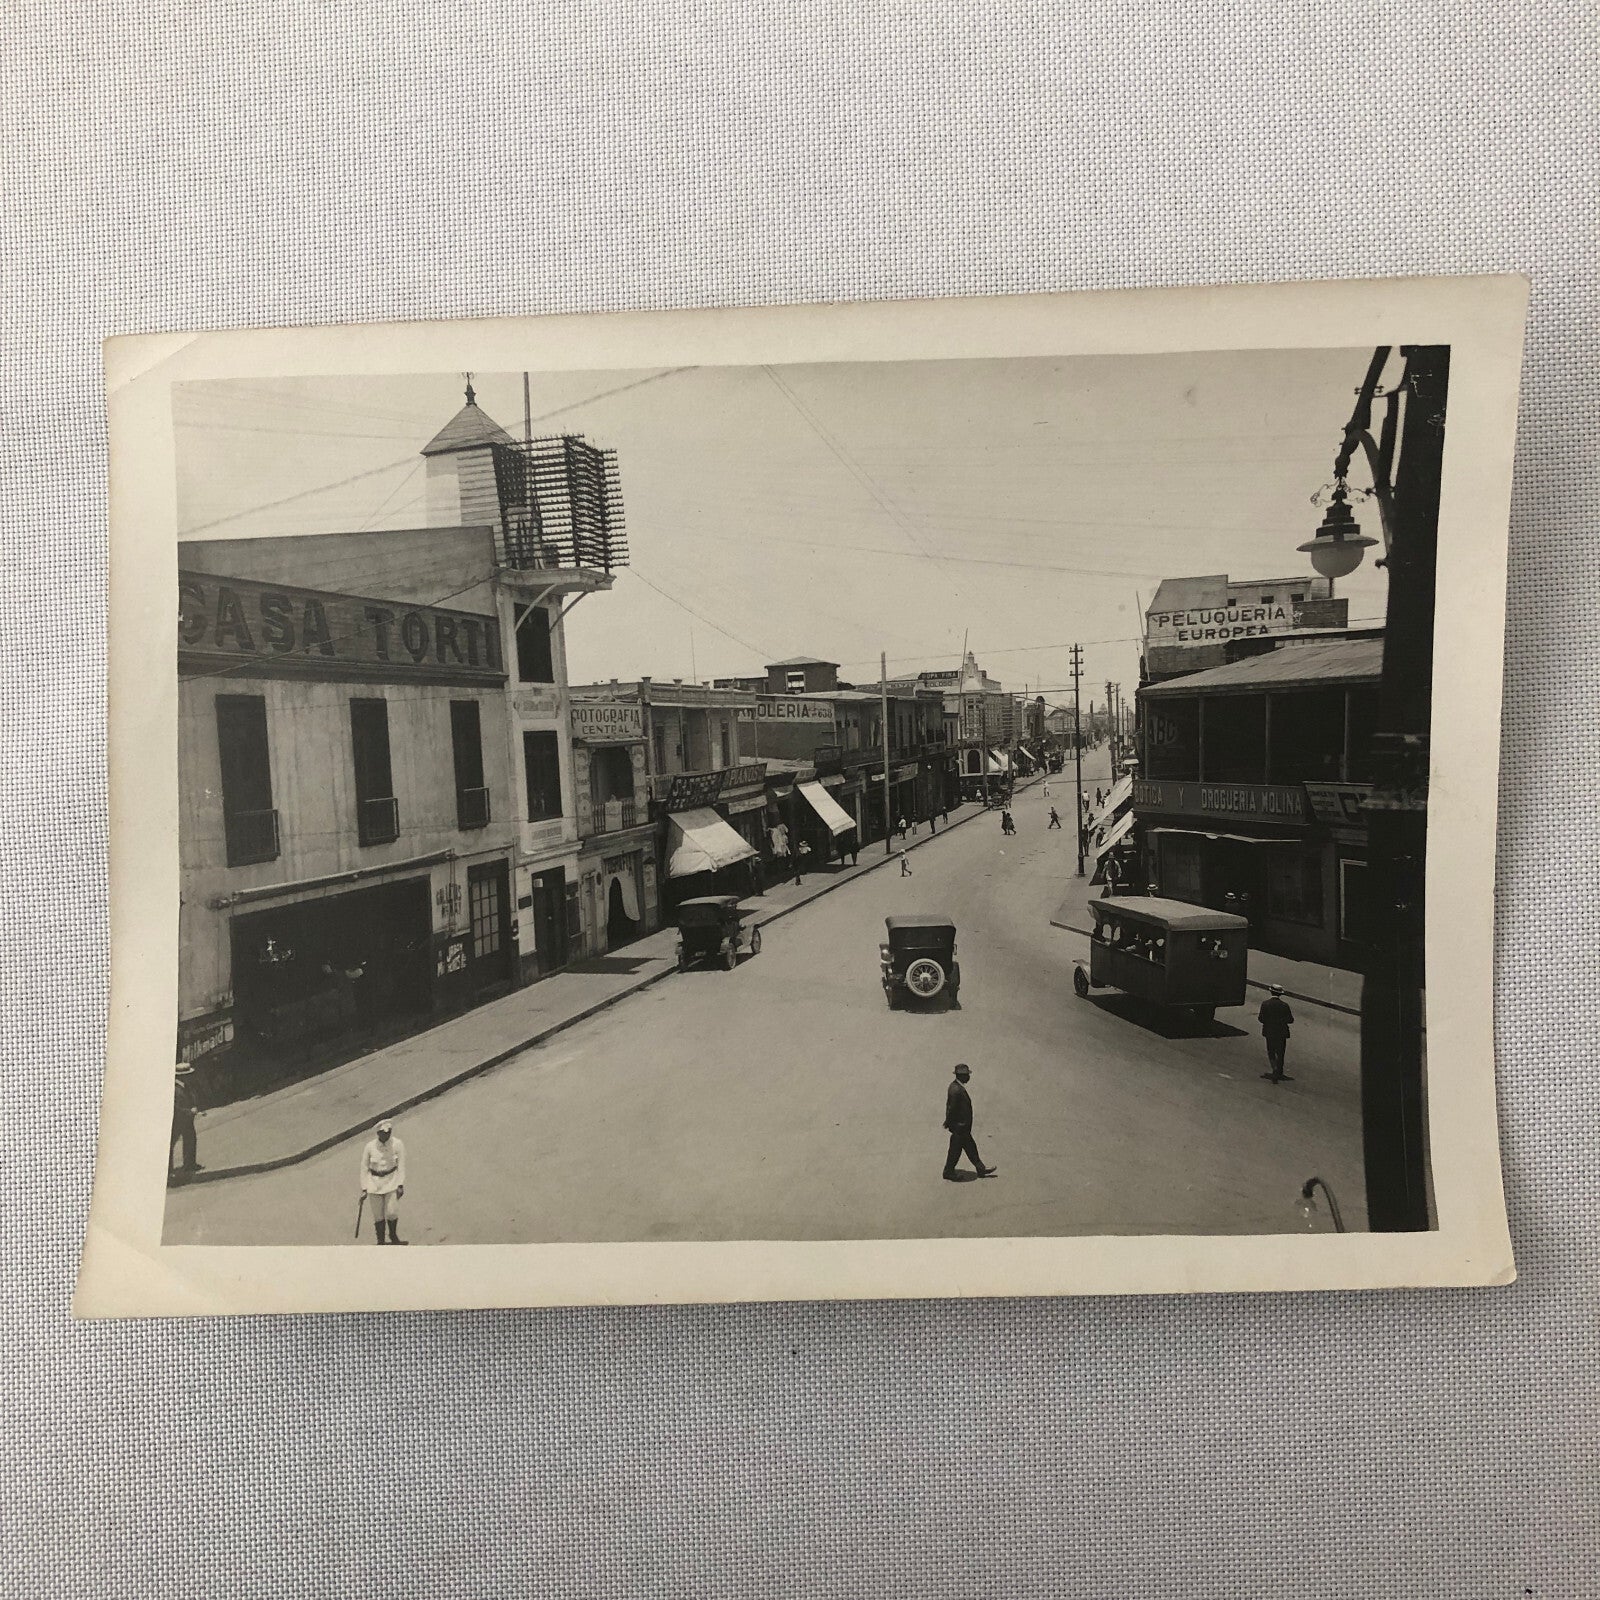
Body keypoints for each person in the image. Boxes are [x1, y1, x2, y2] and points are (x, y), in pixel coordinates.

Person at [942, 1063, 996, 1181]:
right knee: (955, 1151)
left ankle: (980, 1168)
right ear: (961, 1076)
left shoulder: (957, 1087)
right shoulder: (956, 1090)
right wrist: (950, 1123)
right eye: (967, 1075)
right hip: (959, 1127)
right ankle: (948, 1171)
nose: (968, 1077)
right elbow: (952, 1109)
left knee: (971, 1147)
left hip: (963, 1127)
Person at [360, 1120, 407, 1244]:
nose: (386, 1136)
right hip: (373, 1184)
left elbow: (401, 1165)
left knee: (391, 1212)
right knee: (378, 1215)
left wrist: (400, 1184)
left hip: (391, 1181)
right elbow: (364, 1168)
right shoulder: (369, 1147)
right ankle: (380, 1241)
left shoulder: (397, 1144)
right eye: (383, 1133)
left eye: (388, 1133)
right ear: (378, 1133)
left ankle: (393, 1235)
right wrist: (364, 1188)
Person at [1258, 985, 1295, 1082]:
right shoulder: (1284, 1005)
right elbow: (1290, 1020)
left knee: (1271, 1051)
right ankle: (1279, 1070)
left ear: (1271, 992)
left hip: (1269, 1031)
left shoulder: (1265, 1004)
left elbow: (1261, 1019)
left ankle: (1274, 1068)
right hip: (1281, 1032)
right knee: (1281, 1052)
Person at [171, 1062, 200, 1177]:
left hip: (187, 1119)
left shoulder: (185, 1086)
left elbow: (190, 1099)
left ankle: (189, 1164)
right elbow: (175, 1107)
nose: (190, 1077)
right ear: (181, 1076)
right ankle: (168, 1171)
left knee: (190, 1139)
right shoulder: (174, 1089)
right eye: (188, 1075)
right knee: (171, 1144)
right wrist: (189, 1111)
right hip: (177, 1120)